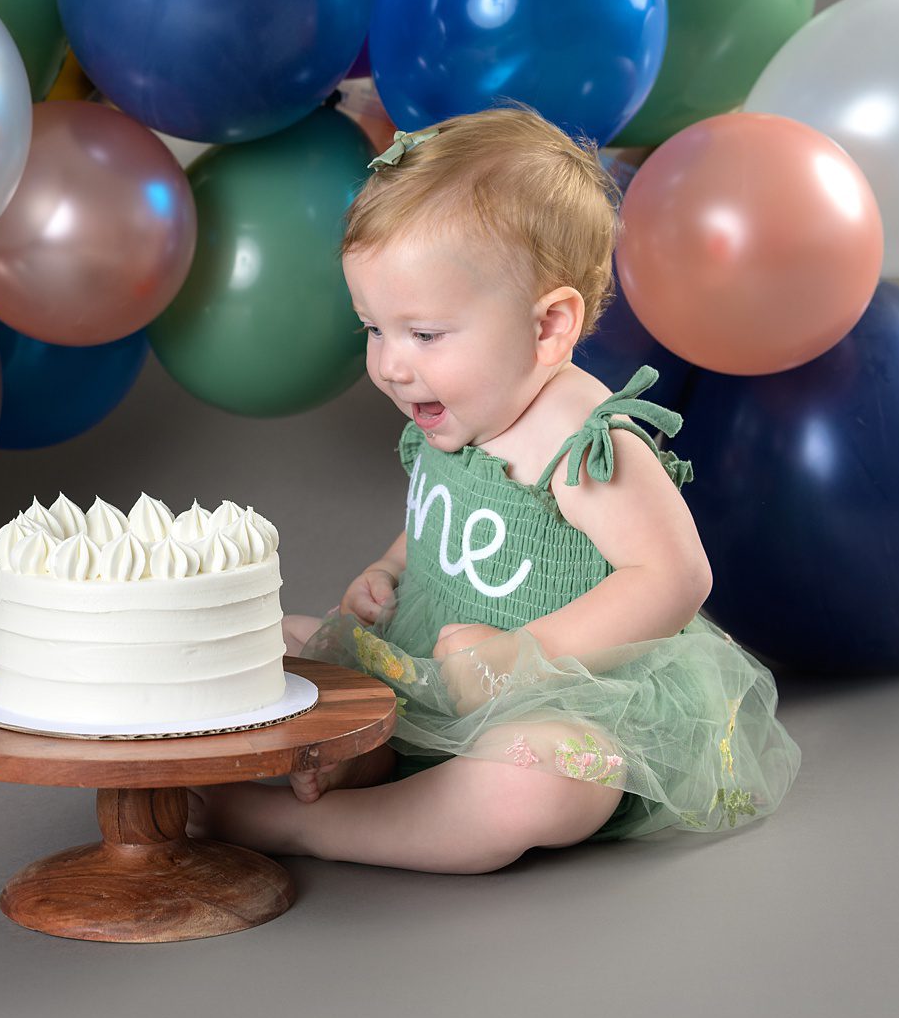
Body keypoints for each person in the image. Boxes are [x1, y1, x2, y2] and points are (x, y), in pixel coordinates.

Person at [186, 105, 800, 872]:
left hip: (551, 695)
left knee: (540, 782)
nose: (389, 365)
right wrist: (389, 571)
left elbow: (676, 576)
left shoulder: (585, 444)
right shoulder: (464, 404)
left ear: (548, 328)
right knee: (261, 640)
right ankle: (358, 760)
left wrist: (524, 657)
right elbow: (444, 518)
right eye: (372, 328)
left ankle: (309, 826)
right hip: (426, 669)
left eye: (424, 334)